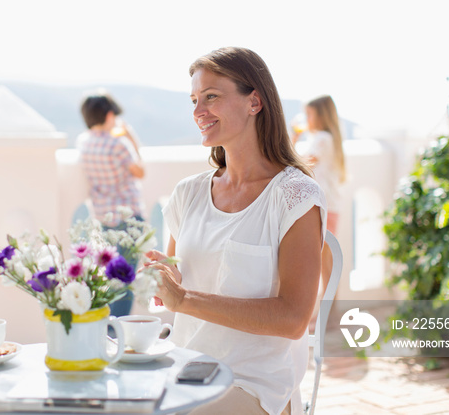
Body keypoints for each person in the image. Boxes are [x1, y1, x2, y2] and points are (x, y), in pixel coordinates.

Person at [145, 47, 326, 415]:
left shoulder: (294, 196)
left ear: (254, 101)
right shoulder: (189, 193)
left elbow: (293, 319)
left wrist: (185, 300)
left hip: (253, 385)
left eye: (211, 97)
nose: (198, 112)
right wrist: (164, 280)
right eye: (195, 100)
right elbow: (180, 284)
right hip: (185, 370)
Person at [77, 91, 145, 316]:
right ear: (108, 116)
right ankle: (118, 332)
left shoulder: (84, 143)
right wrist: (132, 138)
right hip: (128, 217)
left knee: (111, 277)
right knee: (125, 280)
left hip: (104, 218)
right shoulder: (119, 144)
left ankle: (108, 330)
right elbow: (140, 171)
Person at [292, 95, 346, 294]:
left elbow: (302, 164)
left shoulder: (322, 139)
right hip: (329, 205)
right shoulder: (324, 139)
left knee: (325, 262)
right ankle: (327, 314)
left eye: (309, 114)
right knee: (325, 261)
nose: (306, 120)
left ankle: (328, 315)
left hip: (326, 206)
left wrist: (292, 138)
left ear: (321, 116)